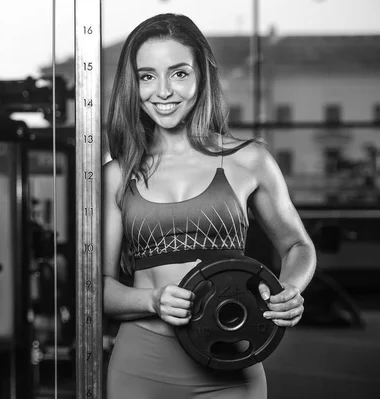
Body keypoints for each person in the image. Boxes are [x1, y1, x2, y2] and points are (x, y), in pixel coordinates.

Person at [103, 13, 317, 398]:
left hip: (232, 361)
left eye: (179, 73)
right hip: (142, 365)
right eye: (147, 76)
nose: (163, 90)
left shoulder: (250, 160)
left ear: (202, 76)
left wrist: (288, 290)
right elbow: (96, 290)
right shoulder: (117, 176)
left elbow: (298, 246)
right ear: (132, 85)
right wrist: (152, 299)